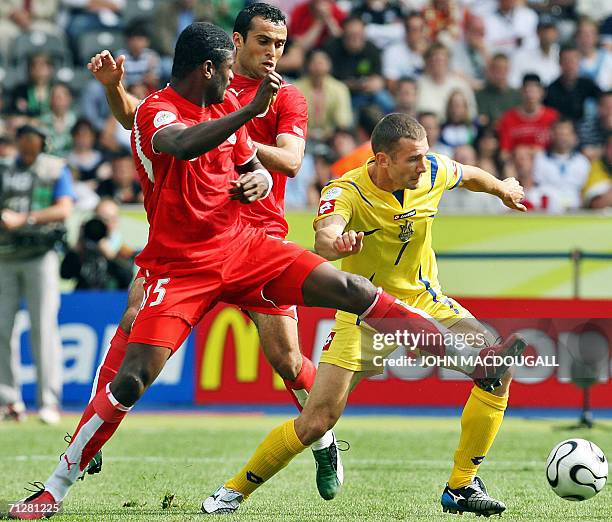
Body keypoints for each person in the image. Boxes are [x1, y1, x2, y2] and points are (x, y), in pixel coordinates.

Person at [10, 25, 524, 520]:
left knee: (346, 295)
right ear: (209, 67)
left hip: (246, 245)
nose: (239, 77)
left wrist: (255, 177)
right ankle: (55, 487)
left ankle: (464, 361)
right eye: (233, 67)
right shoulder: (160, 110)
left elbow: (245, 161)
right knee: (133, 377)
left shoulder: (232, 104)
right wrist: (248, 112)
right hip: (182, 266)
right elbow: (184, 145)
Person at [75, 4, 344, 500]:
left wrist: (240, 151)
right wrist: (115, 87)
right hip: (190, 240)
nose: (273, 53)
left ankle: (323, 436)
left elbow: (290, 159)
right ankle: (89, 437)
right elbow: (139, 119)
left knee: (286, 359)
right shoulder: (204, 80)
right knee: (134, 311)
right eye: (264, 41)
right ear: (236, 43)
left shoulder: (285, 96)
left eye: (281, 44)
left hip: (256, 236)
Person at [202, 113, 527, 516]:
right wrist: (337, 245)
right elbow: (323, 238)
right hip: (365, 312)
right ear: (382, 160)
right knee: (315, 422)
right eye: (412, 160)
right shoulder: (346, 190)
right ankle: (233, 491)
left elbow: (469, 174)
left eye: (424, 157)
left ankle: (461, 485)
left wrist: (501, 189)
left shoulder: (432, 170)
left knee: (497, 371)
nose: (423, 166)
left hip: (426, 300)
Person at [0, 124, 75, 425]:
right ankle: (9, 401)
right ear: (18, 142)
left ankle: (48, 402)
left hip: (40, 257)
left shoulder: (55, 168)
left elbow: (64, 209)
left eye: (35, 140)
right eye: (25, 139)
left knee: (43, 327)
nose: (29, 145)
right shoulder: (4, 168)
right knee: (2, 330)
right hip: (4, 257)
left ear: (43, 143)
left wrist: (25, 219)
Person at [294, 49, 353, 142]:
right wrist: (308, 133)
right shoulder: (296, 88)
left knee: (344, 142)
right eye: (315, 62)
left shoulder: (340, 88)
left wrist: (329, 133)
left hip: (332, 137)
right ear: (308, 65)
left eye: (322, 62)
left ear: (329, 65)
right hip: (301, 135)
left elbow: (343, 121)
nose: (318, 65)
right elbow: (292, 119)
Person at [533, 118, 591, 211]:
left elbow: (583, 191)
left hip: (575, 211)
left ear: (573, 137)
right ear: (552, 135)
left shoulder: (582, 162)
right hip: (546, 212)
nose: (563, 138)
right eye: (560, 134)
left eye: (566, 134)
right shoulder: (539, 159)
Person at [497, 74, 559, 156]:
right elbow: (504, 152)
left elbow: (559, 148)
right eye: (527, 91)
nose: (530, 96)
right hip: (516, 162)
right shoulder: (508, 117)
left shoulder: (553, 116)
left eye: (534, 92)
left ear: (542, 93)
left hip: (546, 163)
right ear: (521, 92)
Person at [545, 45, 601, 122]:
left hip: (587, 129)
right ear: (560, 63)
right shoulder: (551, 90)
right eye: (566, 61)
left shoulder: (589, 85)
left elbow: (603, 100)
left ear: (579, 62)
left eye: (573, 61)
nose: (570, 65)